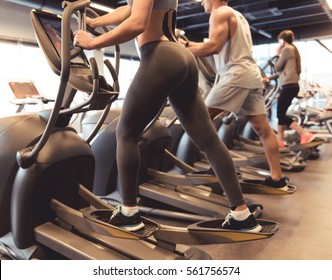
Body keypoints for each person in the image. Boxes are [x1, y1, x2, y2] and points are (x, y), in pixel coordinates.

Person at [74, 0, 261, 233]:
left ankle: (129, 213)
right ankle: (241, 214)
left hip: (159, 55)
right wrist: (96, 21)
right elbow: (132, 9)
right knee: (208, 140)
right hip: (182, 57)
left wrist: (93, 42)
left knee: (126, 133)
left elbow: (137, 23)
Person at [183, 0, 289, 191]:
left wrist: (179, 51)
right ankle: (277, 178)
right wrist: (187, 43)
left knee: (200, 120)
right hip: (251, 75)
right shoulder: (236, 15)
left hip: (235, 75)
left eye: (202, 0)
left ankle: (218, 168)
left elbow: (213, 47)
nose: (201, 3)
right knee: (263, 129)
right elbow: (217, 45)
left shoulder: (219, 13)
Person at [264, 30, 314, 147]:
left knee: (280, 115)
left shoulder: (286, 50)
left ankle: (305, 133)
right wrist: (267, 78)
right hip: (292, 85)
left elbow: (277, 67)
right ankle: (280, 141)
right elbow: (281, 72)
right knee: (281, 114)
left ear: (282, 40)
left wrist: (277, 54)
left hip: (288, 86)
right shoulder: (293, 50)